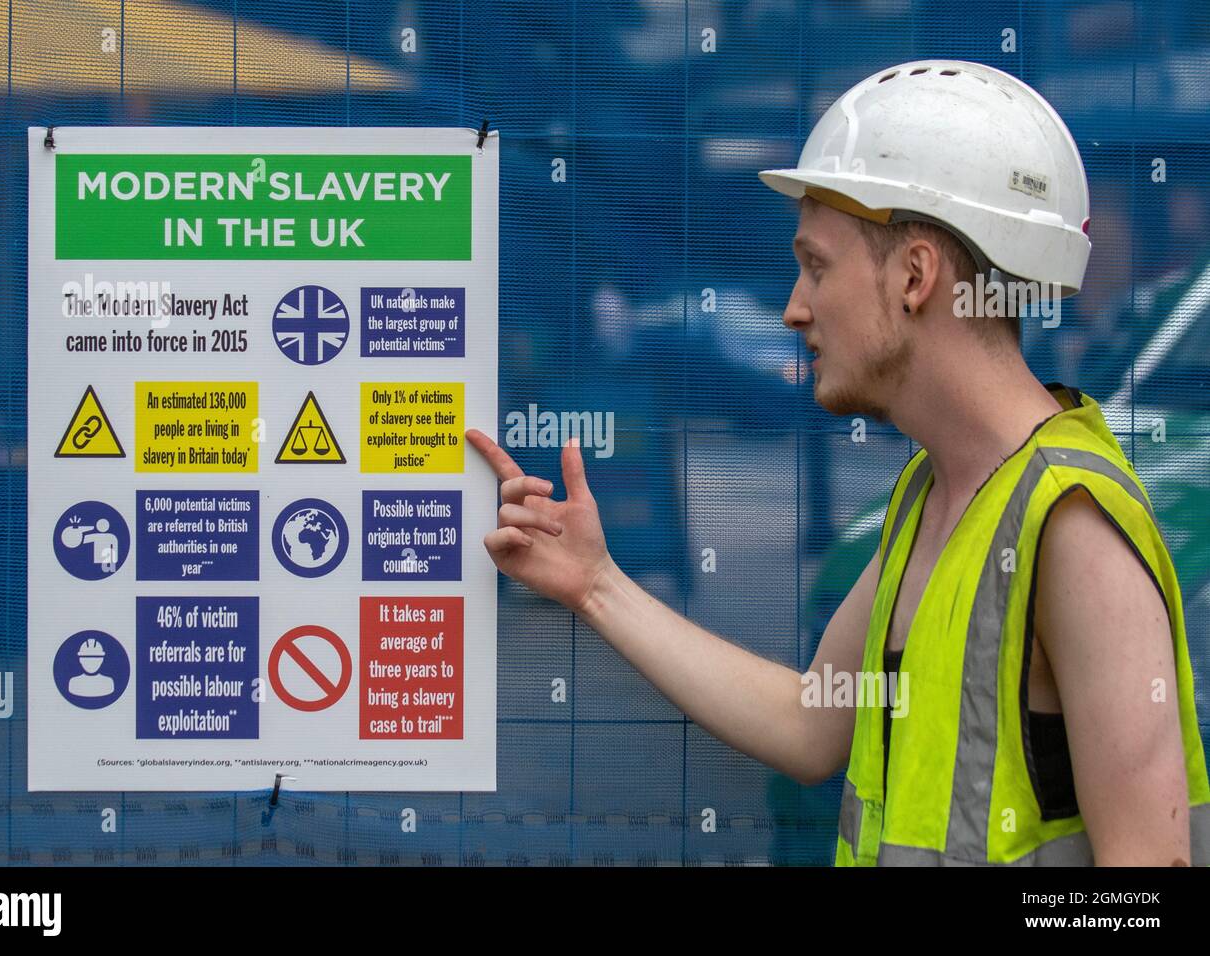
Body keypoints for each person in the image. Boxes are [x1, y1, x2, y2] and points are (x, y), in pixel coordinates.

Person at [466, 59, 1210, 866]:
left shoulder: (1073, 528)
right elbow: (809, 725)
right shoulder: (936, 491)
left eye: (817, 266)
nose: (793, 307)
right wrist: (596, 583)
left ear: (916, 276)